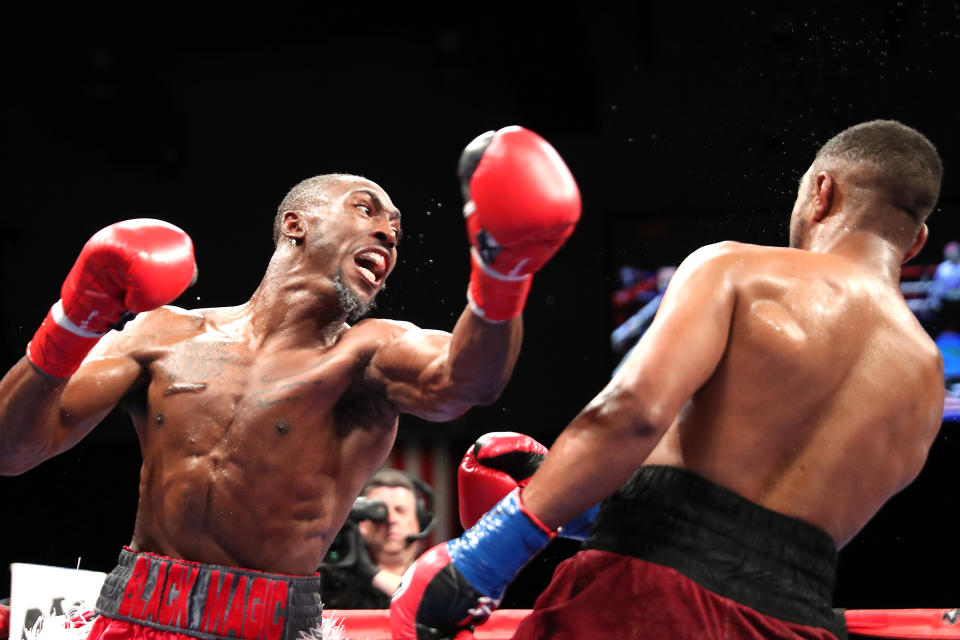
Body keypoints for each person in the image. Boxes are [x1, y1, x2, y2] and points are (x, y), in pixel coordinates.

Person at [0, 125, 581, 640]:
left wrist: (501, 273)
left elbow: (466, 381)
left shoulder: (368, 353)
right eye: (367, 210)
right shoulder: (165, 332)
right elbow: (13, 450)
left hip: (270, 624)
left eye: (397, 233)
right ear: (295, 224)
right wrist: (72, 321)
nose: (388, 235)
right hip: (129, 612)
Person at [391, 119, 946, 640]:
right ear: (916, 240)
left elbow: (632, 414)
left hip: (645, 600)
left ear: (821, 192)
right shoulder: (927, 384)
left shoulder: (738, 270)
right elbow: (758, 536)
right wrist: (605, 505)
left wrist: (485, 556)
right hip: (796, 622)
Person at [321, 469, 432, 609]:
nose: (391, 519)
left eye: (400, 510)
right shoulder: (338, 584)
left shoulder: (437, 573)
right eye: (379, 512)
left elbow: (432, 604)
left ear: (419, 521)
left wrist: (372, 574)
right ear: (362, 525)